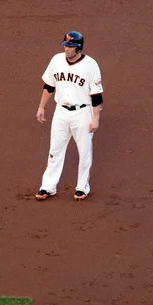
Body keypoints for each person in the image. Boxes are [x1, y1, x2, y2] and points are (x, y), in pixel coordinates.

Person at [35, 31, 104, 201]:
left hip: (82, 113)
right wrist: (41, 107)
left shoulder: (90, 65)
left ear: (78, 47)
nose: (66, 49)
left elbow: (96, 95)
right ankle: (48, 186)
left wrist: (95, 117)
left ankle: (82, 187)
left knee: (84, 151)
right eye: (65, 45)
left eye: (70, 46)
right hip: (61, 112)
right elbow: (49, 86)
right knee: (55, 150)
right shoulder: (56, 60)